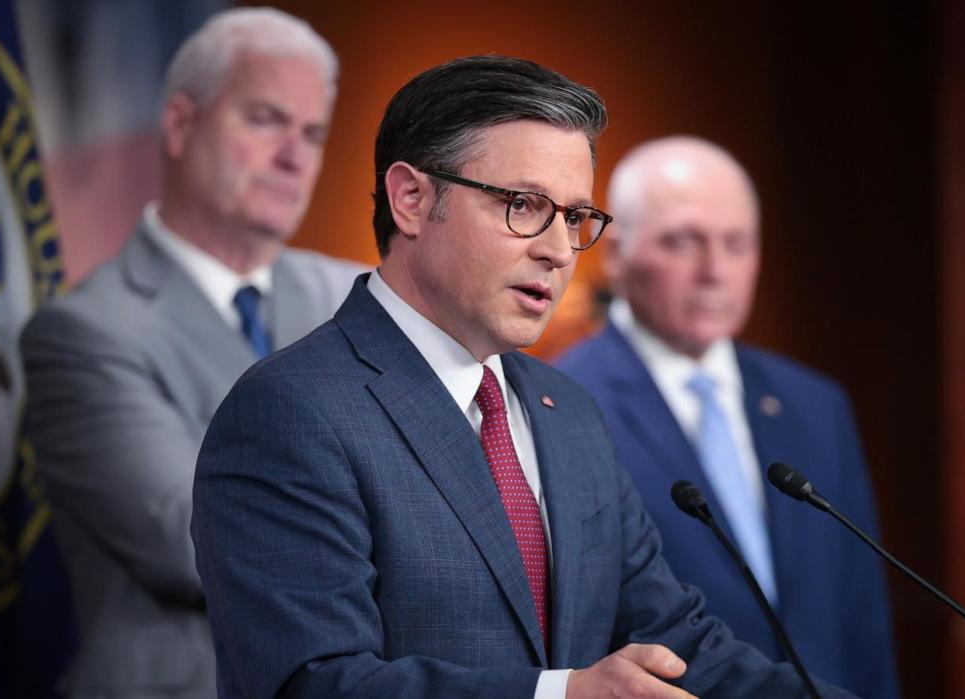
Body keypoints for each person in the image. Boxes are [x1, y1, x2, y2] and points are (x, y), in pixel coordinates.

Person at [191, 57, 855, 698]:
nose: (560, 251)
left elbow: (677, 642)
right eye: (524, 204)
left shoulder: (566, 409)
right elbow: (311, 682)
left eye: (573, 217)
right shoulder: (291, 410)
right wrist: (558, 695)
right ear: (413, 199)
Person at [20, 8, 365, 697]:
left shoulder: (355, 297)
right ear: (180, 125)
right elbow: (202, 542)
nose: (294, 156)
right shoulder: (85, 332)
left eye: (313, 133)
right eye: (266, 119)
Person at [555, 136, 900, 698]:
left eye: (737, 244)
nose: (715, 270)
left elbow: (862, 622)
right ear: (616, 254)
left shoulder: (816, 404)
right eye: (684, 242)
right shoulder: (565, 403)